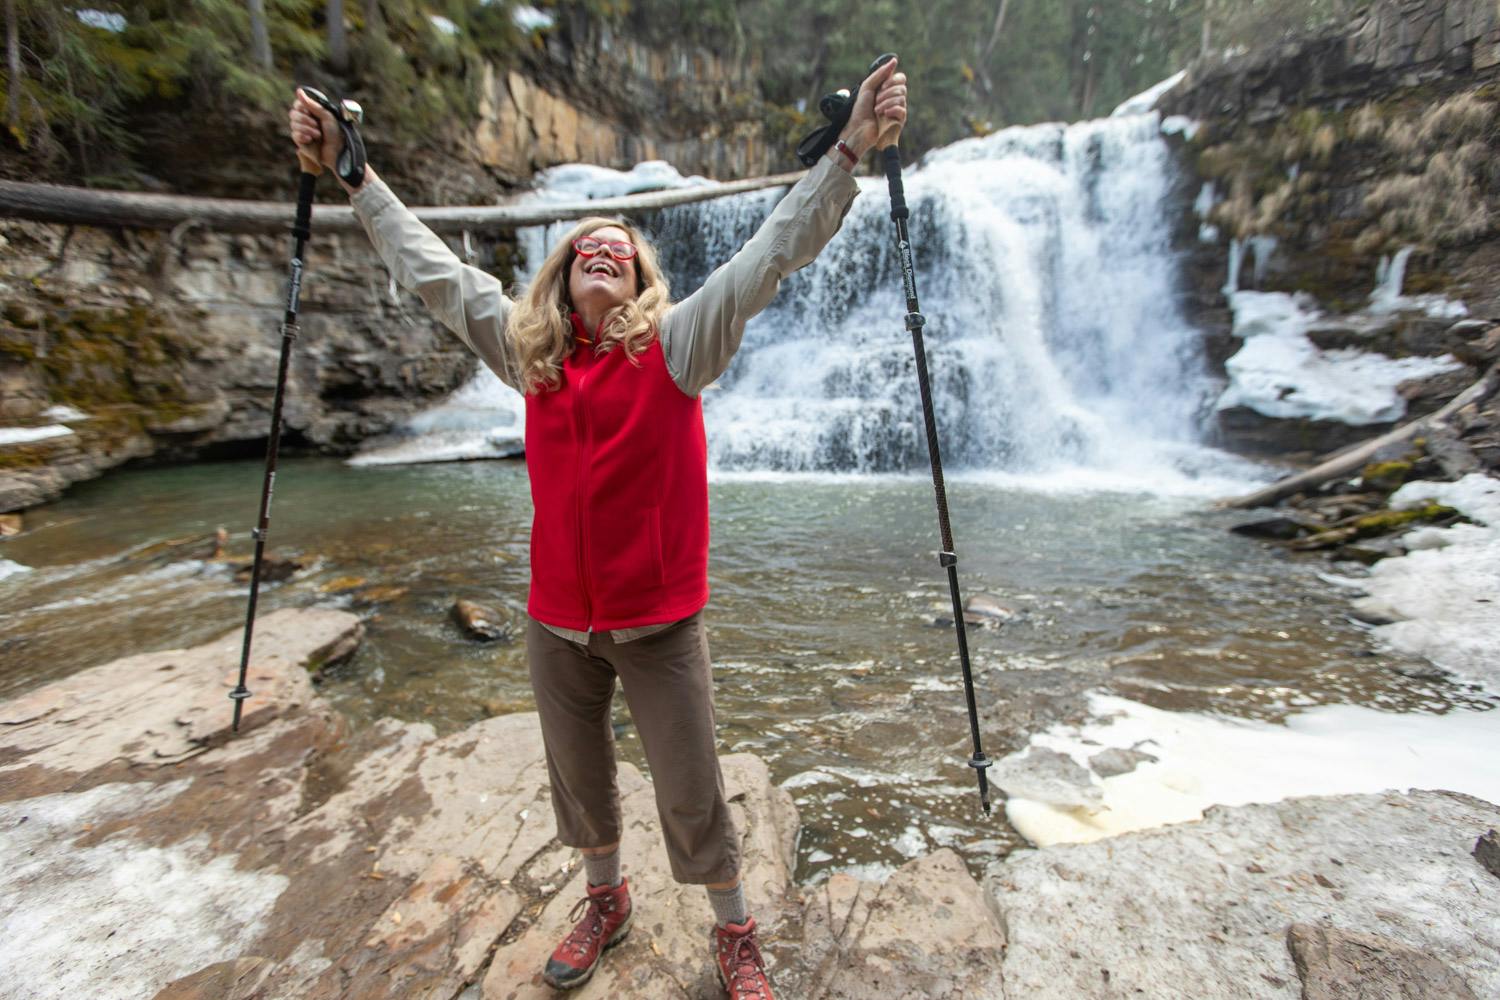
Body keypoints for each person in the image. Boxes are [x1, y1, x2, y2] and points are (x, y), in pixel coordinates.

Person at [288, 57, 906, 998]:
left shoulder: (676, 345)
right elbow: (438, 276)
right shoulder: (527, 355)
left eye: (620, 245)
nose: (601, 249)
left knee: (691, 787)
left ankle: (734, 929)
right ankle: (605, 899)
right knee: (579, 781)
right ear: (563, 275)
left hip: (658, 623)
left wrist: (850, 150)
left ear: (643, 274)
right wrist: (355, 177)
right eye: (586, 247)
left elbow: (770, 255)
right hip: (555, 622)